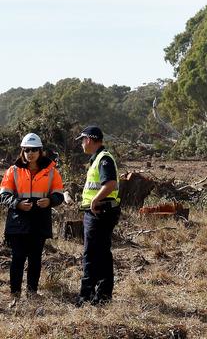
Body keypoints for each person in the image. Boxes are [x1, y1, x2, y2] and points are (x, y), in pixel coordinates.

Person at [0, 133, 64, 307]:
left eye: (34, 149)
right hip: (17, 221)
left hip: (40, 221)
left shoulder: (52, 171)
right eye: (27, 150)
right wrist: (17, 204)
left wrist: (50, 201)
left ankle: (32, 293)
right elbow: (4, 195)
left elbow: (59, 195)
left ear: (40, 151)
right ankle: (15, 294)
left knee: (35, 258)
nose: (31, 153)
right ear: (23, 151)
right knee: (18, 258)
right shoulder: (12, 171)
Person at [75, 126, 121, 307]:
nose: (81, 143)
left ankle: (86, 296)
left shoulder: (104, 159)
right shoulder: (98, 158)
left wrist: (95, 199)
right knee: (101, 254)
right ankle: (102, 297)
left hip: (100, 212)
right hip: (98, 212)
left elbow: (109, 183)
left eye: (82, 139)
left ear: (89, 139)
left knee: (92, 254)